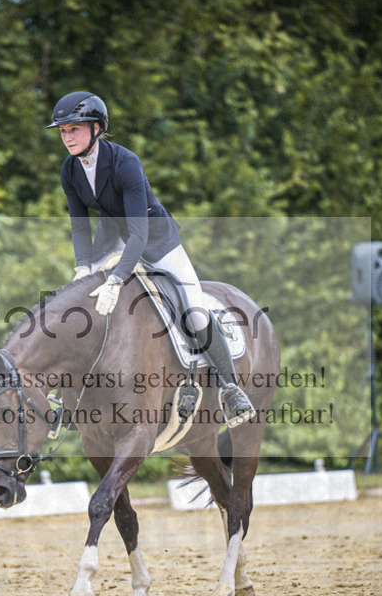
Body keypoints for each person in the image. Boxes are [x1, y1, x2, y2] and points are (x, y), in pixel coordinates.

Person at [46, 90, 255, 427]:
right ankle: (67, 399)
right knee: (77, 308)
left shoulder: (125, 162)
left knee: (194, 310)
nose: (67, 137)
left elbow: (139, 234)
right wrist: (83, 266)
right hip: (110, 241)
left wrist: (116, 280)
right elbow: (79, 224)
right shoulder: (69, 169)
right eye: (63, 131)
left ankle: (231, 389)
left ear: (97, 128)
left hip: (157, 241)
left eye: (75, 129)